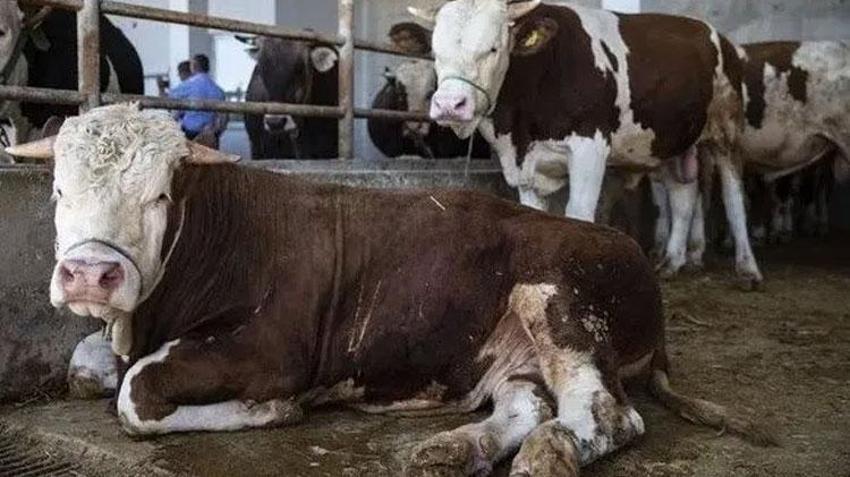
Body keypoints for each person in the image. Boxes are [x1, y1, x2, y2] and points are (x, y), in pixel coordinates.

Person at [168, 54, 226, 141]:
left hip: (191, 134)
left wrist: (161, 87)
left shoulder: (188, 85)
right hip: (210, 135)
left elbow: (170, 97)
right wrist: (216, 132)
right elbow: (223, 117)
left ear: (194, 66)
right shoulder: (218, 90)